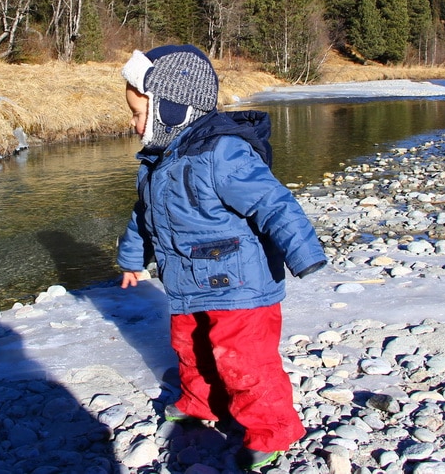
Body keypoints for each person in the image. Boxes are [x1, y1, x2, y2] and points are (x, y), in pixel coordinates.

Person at [116, 44, 327, 472]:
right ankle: (201, 401)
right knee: (189, 346)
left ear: (173, 110)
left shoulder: (223, 153)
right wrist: (132, 260)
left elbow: (273, 202)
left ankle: (273, 430)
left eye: (140, 114)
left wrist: (303, 252)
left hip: (241, 286)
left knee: (244, 361)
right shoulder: (155, 165)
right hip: (188, 282)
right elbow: (144, 217)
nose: (135, 126)